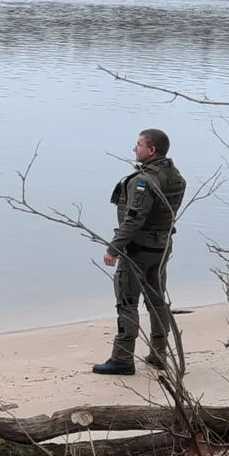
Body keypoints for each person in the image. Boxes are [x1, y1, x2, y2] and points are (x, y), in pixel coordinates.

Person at [92, 129, 186, 376]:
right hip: (162, 247)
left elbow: (134, 219)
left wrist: (114, 248)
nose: (135, 148)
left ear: (151, 150)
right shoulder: (175, 176)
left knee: (127, 302)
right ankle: (159, 353)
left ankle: (122, 358)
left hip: (139, 250)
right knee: (157, 300)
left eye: (139, 144)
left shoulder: (143, 181)